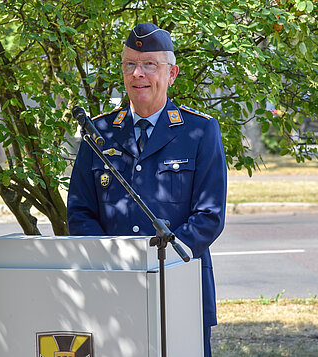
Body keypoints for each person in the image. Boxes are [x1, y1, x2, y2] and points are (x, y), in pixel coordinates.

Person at [67, 22, 227, 356]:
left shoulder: (200, 131)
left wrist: (156, 263)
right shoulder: (98, 133)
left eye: (149, 64)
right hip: (112, 286)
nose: (138, 73)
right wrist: (116, 261)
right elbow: (81, 211)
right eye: (130, 64)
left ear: (171, 73)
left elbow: (209, 215)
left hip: (180, 282)